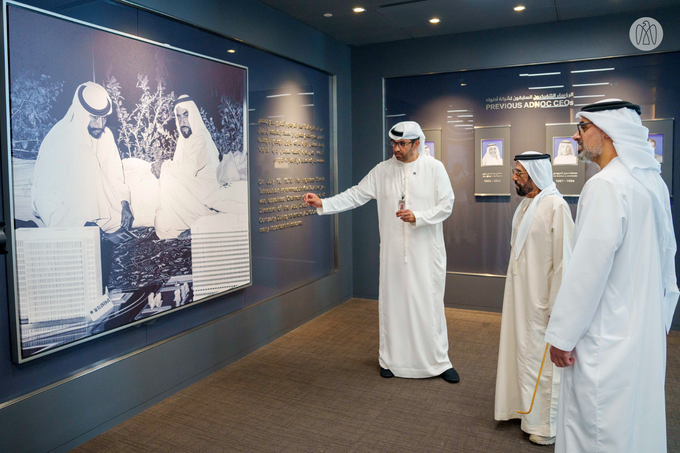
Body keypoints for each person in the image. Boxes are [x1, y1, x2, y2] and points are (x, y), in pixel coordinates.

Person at [545, 100, 679, 453]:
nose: (576, 136)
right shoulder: (652, 184)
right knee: (634, 423)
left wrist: (562, 335)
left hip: (605, 336)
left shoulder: (607, 185)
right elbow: (669, 266)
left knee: (597, 428)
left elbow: (587, 272)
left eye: (583, 127)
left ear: (607, 131)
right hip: (642, 333)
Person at [303, 121, 460, 383]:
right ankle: (390, 359)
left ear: (417, 144)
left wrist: (418, 216)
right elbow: (356, 195)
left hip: (426, 254)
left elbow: (447, 205)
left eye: (402, 144)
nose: (396, 149)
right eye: (393, 144)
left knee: (428, 305)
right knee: (393, 304)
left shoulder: (434, 169)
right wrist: (324, 203)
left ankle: (439, 361)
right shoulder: (382, 171)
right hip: (393, 254)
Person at [494, 151, 574, 446]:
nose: (514, 178)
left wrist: (557, 307)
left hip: (542, 302)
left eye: (519, 173)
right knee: (521, 354)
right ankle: (522, 410)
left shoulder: (556, 206)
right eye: (514, 172)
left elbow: (565, 262)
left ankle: (544, 425)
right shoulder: (527, 205)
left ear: (536, 174)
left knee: (541, 362)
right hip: (519, 299)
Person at [31, 82, 133, 233]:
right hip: (66, 219)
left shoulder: (106, 136)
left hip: (104, 216)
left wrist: (125, 203)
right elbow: (46, 197)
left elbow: (115, 176)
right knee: (85, 155)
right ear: (81, 114)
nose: (100, 125)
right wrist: (74, 225)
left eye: (104, 118)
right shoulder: (59, 140)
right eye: (94, 118)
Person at [153, 95, 220, 239]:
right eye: (179, 117)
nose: (183, 121)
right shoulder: (183, 140)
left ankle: (206, 222)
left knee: (169, 178)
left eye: (186, 115)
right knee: (160, 223)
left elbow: (187, 169)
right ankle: (194, 225)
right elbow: (179, 170)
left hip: (208, 194)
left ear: (194, 116)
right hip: (192, 190)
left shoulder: (201, 137)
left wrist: (163, 166)